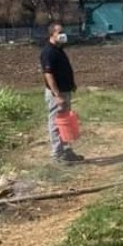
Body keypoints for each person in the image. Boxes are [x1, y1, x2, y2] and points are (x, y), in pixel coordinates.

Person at [40, 23, 83, 163]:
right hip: (56, 94)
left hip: (65, 91)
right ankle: (57, 154)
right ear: (52, 34)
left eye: (63, 31)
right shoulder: (48, 52)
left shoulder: (59, 49)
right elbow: (48, 75)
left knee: (65, 123)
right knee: (56, 123)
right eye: (60, 32)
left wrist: (71, 84)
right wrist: (57, 95)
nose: (63, 35)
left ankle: (67, 151)